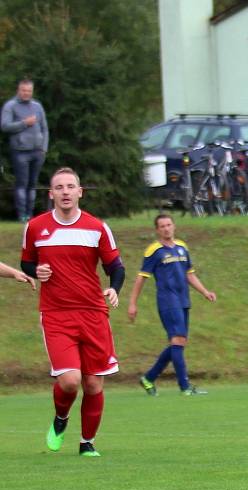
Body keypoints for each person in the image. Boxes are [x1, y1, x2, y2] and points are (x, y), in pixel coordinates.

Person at [20, 167, 125, 457]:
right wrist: (35, 270)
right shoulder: (35, 227)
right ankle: (61, 418)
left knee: (93, 384)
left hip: (92, 313)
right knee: (69, 381)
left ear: (80, 192)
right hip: (56, 314)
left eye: (70, 186)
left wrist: (114, 288)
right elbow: (27, 262)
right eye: (59, 187)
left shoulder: (97, 227)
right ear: (51, 194)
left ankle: (87, 442)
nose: (65, 192)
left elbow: (115, 267)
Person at [128, 214, 217, 396]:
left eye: (169, 225)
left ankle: (148, 378)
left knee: (179, 343)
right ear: (157, 230)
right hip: (167, 302)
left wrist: (205, 291)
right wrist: (132, 304)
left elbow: (189, 274)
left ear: (174, 226)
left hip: (183, 301)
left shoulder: (182, 247)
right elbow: (140, 278)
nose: (166, 228)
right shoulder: (154, 251)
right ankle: (184, 387)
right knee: (177, 341)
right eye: (162, 226)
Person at [2, 79, 49, 222]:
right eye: (24, 90)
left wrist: (44, 148)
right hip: (20, 151)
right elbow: (4, 126)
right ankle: (23, 216)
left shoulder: (37, 106)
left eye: (29, 91)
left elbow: (44, 128)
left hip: (37, 151)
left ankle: (31, 216)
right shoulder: (11, 106)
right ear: (19, 90)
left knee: (32, 184)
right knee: (22, 183)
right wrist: (24, 123)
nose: (26, 93)